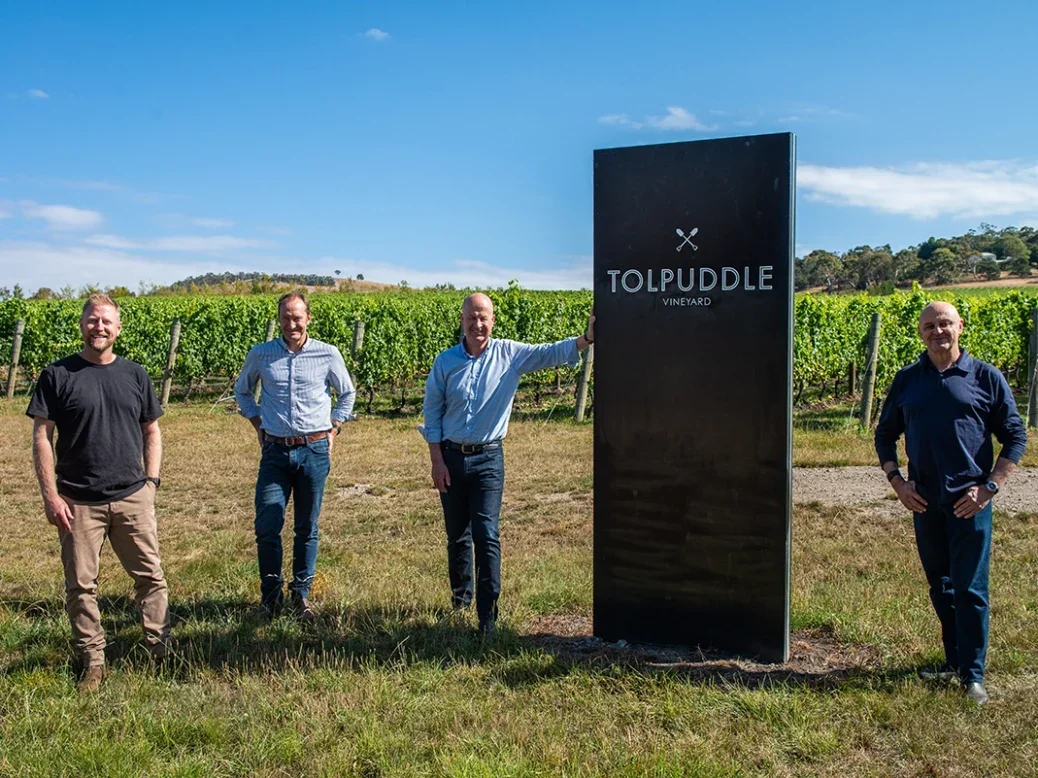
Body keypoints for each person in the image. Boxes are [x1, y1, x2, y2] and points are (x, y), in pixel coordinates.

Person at [875, 301, 1027, 705]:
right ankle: (953, 661)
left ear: (960, 326)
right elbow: (884, 434)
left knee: (970, 589)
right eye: (929, 326)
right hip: (924, 501)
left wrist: (990, 488)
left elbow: (1015, 437)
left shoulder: (985, 378)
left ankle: (973, 675)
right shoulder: (908, 379)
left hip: (969, 503)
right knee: (940, 586)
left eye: (944, 323)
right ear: (920, 332)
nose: (937, 331)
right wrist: (898, 482)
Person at [420, 293, 594, 636]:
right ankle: (460, 601)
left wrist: (586, 339)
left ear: (493, 320)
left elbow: (550, 353)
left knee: (486, 535)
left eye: (483, 317)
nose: (477, 324)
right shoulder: (446, 362)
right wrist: (437, 461)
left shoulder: (509, 354)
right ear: (462, 320)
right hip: (451, 456)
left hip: (488, 459)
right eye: (471, 317)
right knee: (457, 535)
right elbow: (432, 413)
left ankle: (488, 616)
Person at [28, 293, 170, 693]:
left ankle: (160, 649)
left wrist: (151, 482)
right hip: (77, 500)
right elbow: (42, 436)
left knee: (150, 577)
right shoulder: (58, 375)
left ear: (118, 328)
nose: (99, 327)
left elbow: (151, 430)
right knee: (80, 585)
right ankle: (92, 661)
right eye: (93, 320)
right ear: (82, 325)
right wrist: (51, 496)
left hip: (131, 496)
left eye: (107, 321)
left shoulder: (135, 375)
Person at [234, 292, 356, 622]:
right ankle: (270, 597)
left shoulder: (327, 354)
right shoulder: (261, 354)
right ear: (279, 319)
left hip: (314, 450)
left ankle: (301, 595)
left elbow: (347, 393)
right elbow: (242, 391)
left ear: (308, 318)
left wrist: (335, 427)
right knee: (268, 523)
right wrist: (257, 420)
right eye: (286, 318)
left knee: (307, 526)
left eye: (298, 317)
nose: (292, 324)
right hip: (274, 450)